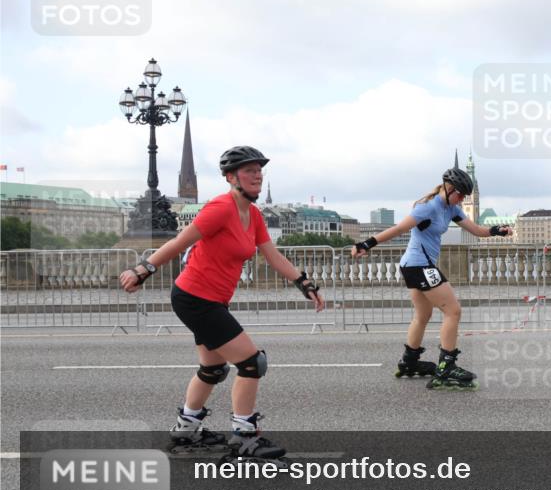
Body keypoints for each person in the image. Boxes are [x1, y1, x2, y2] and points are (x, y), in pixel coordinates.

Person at [119, 146, 324, 459]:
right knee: (252, 363)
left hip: (211, 300)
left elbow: (273, 256)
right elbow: (179, 241)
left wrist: (303, 282)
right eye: (248, 170)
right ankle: (244, 437)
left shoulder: (253, 214)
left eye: (259, 170)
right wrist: (143, 269)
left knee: (213, 368)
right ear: (231, 177)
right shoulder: (220, 208)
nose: (256, 175)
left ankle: (185, 431)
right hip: (194, 298)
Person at [351, 165, 512, 390]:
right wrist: (366, 244)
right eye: (460, 194)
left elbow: (475, 230)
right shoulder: (428, 208)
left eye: (466, 195)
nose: (463, 199)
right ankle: (446, 368)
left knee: (422, 315)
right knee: (453, 311)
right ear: (448, 188)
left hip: (414, 266)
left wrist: (497, 231)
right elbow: (399, 229)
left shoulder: (452, 208)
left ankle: (409, 362)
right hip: (419, 265)